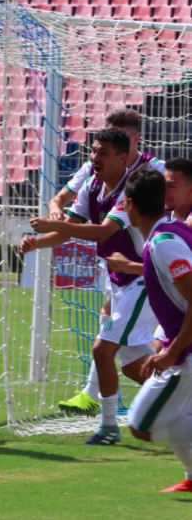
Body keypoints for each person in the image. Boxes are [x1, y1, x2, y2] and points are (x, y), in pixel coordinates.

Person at [24, 129, 156, 445]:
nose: (95, 158)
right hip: (120, 283)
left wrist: (53, 224)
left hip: (144, 281)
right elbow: (70, 231)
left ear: (124, 159)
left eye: (104, 153)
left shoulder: (131, 191)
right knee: (133, 367)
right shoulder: (92, 186)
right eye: (94, 151)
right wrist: (38, 243)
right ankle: (179, 402)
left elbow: (102, 233)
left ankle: (108, 427)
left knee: (102, 349)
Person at [120, 168, 192, 493]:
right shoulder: (170, 233)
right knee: (177, 413)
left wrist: (171, 352)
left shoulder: (163, 244)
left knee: (140, 425)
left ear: (131, 204)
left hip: (186, 355)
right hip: (181, 347)